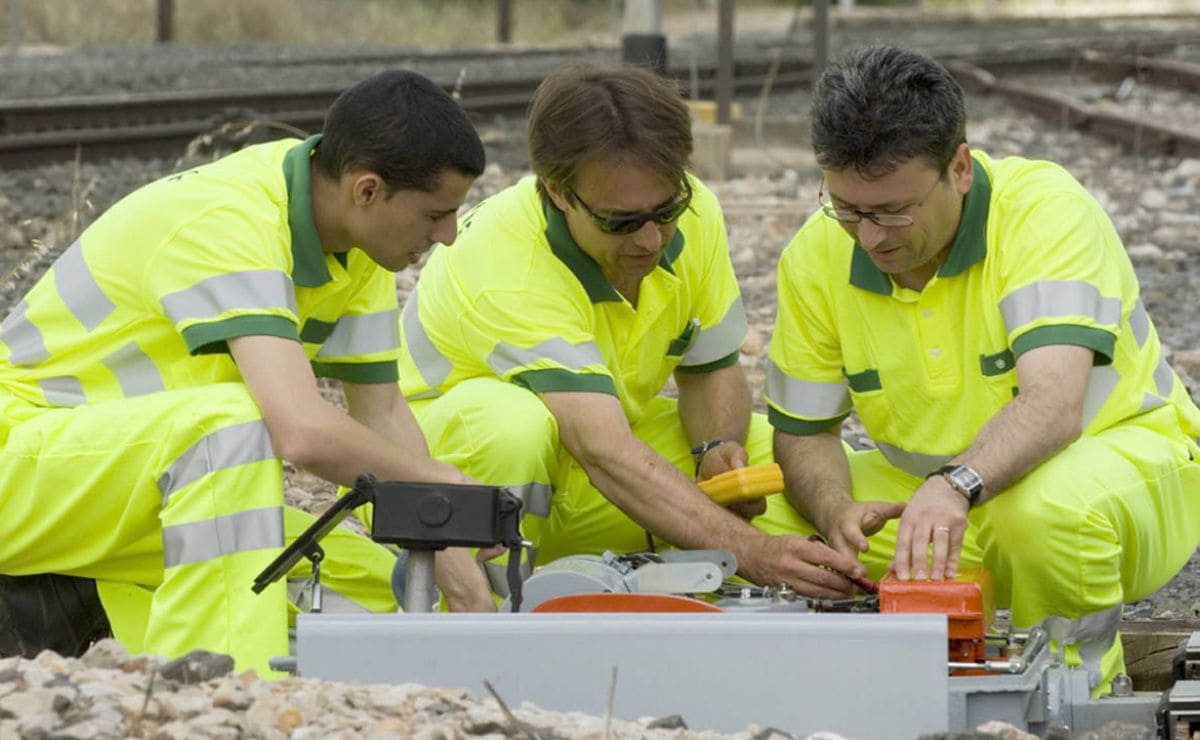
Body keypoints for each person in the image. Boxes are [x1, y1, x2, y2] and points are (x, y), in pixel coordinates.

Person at [0, 69, 498, 677]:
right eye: (435, 215)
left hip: (118, 489)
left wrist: (461, 581)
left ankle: (108, 616)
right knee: (229, 428)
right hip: (25, 469)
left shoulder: (354, 242)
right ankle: (228, 690)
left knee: (377, 581)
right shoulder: (226, 219)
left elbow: (385, 417)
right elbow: (301, 431)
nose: (447, 236)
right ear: (367, 190)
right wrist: (440, 478)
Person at [756, 44, 1200, 694]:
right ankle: (868, 679)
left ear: (959, 168)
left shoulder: (1044, 213)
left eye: (893, 211)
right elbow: (804, 433)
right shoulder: (816, 256)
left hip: (1113, 477)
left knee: (1041, 516)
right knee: (754, 510)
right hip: (945, 513)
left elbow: (1053, 403)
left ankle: (1074, 698)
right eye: (848, 209)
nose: (870, 237)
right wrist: (835, 513)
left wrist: (953, 485)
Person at [396, 62, 867, 599]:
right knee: (513, 425)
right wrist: (754, 553)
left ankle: (681, 587)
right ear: (556, 192)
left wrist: (717, 445)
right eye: (620, 222)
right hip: (453, 473)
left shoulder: (696, 217)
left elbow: (711, 370)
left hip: (593, 456)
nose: (650, 239)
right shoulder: (507, 265)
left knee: (777, 454)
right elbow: (603, 450)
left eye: (667, 209)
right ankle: (487, 599)